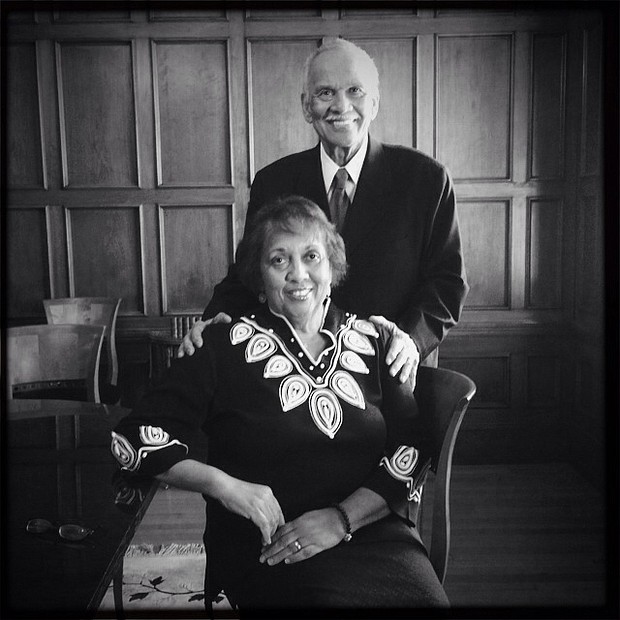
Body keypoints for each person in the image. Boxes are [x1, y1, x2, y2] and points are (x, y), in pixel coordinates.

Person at [111, 196, 449, 612]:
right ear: (258, 276)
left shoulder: (374, 341)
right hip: (271, 543)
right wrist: (224, 486)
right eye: (279, 260)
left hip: (371, 532)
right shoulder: (220, 345)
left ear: (332, 268)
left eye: (311, 256)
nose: (298, 274)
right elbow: (132, 440)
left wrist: (341, 519)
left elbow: (411, 450)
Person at [178, 37, 468, 386]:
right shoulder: (274, 181)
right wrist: (211, 323)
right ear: (306, 107)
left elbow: (448, 283)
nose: (341, 106)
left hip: (389, 373)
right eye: (325, 93)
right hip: (292, 378)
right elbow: (248, 274)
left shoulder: (426, 179)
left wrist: (412, 339)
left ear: (374, 104)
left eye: (355, 91)